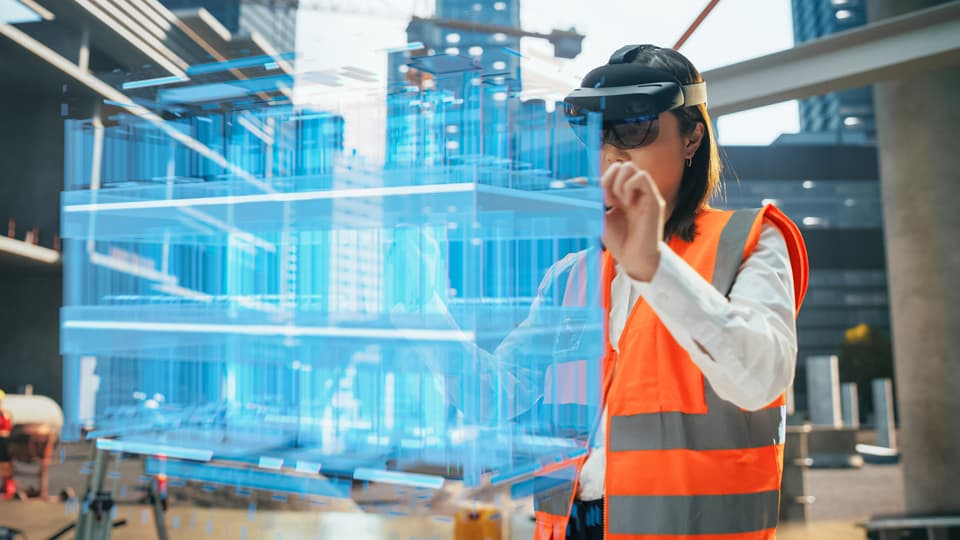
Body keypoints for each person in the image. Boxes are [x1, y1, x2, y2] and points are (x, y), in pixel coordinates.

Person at [527, 44, 809, 540]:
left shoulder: (748, 241)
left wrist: (653, 268)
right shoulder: (570, 275)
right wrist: (423, 314)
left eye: (633, 128)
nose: (612, 151)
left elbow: (760, 379)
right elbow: (504, 394)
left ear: (692, 137)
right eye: (596, 132)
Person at [0, 390, 14, 498]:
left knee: (6, 465)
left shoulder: (5, 414)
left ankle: (8, 488)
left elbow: (8, 428)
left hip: (3, 442)